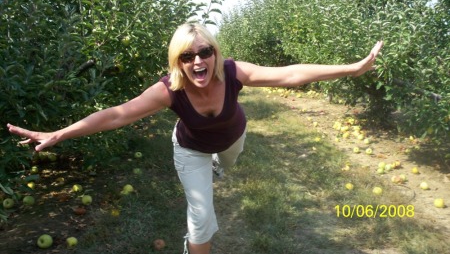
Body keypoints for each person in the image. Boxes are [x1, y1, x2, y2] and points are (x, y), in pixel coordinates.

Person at [7, 22, 383, 254]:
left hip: (233, 139)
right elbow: (117, 114)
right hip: (190, 149)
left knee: (228, 161)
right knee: (201, 217)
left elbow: (291, 74)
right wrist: (59, 133)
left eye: (205, 52)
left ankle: (219, 164)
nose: (198, 61)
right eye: (187, 56)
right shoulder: (169, 90)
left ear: (216, 54)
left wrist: (352, 69)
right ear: (177, 61)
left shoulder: (234, 73)